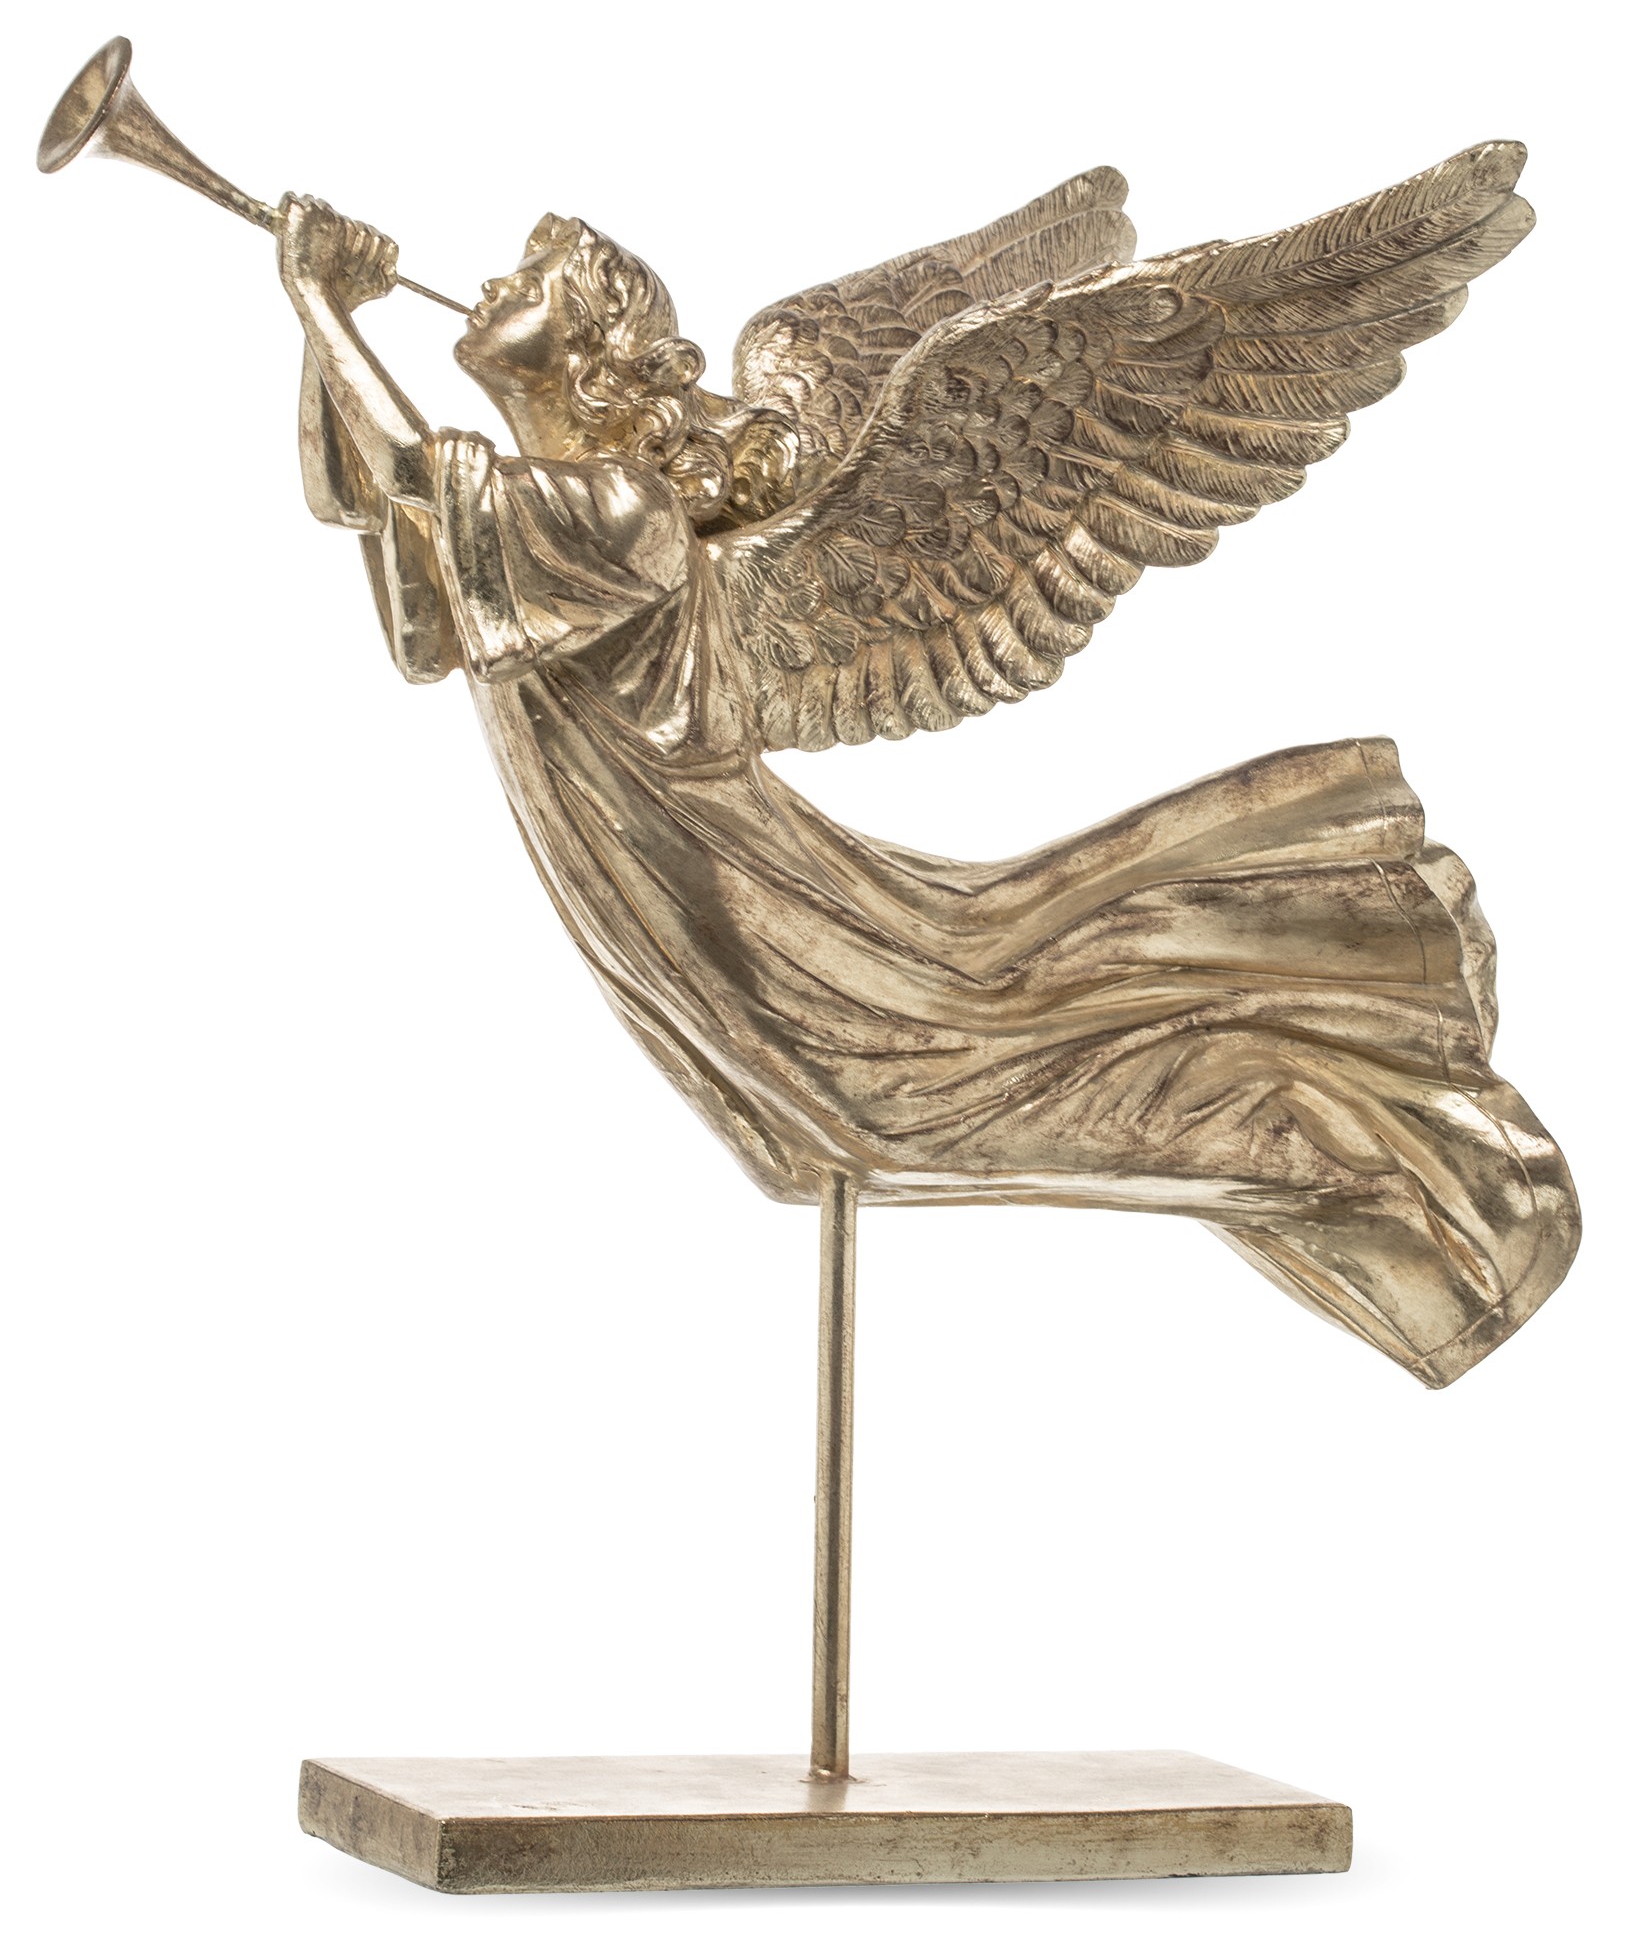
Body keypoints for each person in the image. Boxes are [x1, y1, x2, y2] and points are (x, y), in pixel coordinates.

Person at [276, 186, 1579, 1390]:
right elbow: (367, 507)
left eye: (530, 281)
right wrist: (315, 324)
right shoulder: (536, 512)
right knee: (853, 1118)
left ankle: (1357, 1154)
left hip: (731, 889)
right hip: (648, 876)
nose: (493, 286)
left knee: (908, 1090)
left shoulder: (619, 517)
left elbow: (405, 473)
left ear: (587, 352)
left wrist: (323, 300)